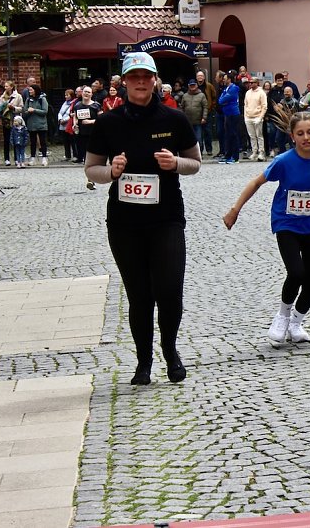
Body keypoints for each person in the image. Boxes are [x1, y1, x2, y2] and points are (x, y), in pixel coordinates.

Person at [84, 51, 202, 385]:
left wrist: (175, 163)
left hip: (166, 218)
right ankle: (143, 363)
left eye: (145, 76)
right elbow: (91, 169)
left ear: (154, 80)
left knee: (169, 290)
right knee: (139, 295)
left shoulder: (173, 119)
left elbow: (195, 162)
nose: (140, 82)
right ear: (123, 83)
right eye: (133, 77)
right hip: (124, 223)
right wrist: (111, 171)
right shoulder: (109, 122)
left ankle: (171, 350)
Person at [223, 111, 310, 346]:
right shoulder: (284, 161)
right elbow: (256, 182)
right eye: (300, 133)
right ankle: (282, 316)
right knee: (296, 273)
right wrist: (235, 209)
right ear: (292, 136)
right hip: (286, 224)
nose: (306, 137)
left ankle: (296, 322)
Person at [218, 71, 243, 164]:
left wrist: (225, 101)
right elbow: (220, 100)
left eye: (224, 78)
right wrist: (224, 100)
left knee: (234, 135)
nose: (223, 80)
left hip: (233, 114)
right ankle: (228, 155)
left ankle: (235, 157)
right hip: (227, 114)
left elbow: (223, 99)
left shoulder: (234, 88)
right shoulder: (226, 88)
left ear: (229, 79)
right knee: (228, 135)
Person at [0, 81, 23, 166]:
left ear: (11, 87)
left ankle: (16, 158)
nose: (5, 88)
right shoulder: (2, 97)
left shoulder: (18, 96)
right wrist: (3, 107)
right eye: (5, 86)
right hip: (6, 120)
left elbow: (21, 108)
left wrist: (13, 108)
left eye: (7, 86)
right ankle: (7, 159)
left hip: (15, 120)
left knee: (16, 140)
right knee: (6, 140)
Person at [72, 86, 100, 164]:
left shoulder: (96, 105)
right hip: (81, 131)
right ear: (82, 93)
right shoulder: (77, 105)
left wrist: (90, 122)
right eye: (85, 91)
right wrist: (75, 124)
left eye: (88, 92)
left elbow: (101, 119)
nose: (86, 93)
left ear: (91, 94)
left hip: (93, 131)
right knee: (81, 146)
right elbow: (75, 116)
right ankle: (84, 159)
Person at [180, 79, 209, 155]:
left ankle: (200, 153)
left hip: (198, 121)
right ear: (188, 86)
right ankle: (190, 154)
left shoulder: (201, 95)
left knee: (199, 138)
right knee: (188, 139)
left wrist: (204, 117)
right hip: (188, 122)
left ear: (196, 85)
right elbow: (181, 108)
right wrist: (182, 119)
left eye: (194, 85)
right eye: (191, 85)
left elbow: (205, 107)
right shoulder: (185, 96)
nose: (192, 86)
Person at [23, 84, 49, 166]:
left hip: (41, 124)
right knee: (33, 142)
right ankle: (32, 158)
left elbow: (45, 111)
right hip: (31, 124)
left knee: (42, 142)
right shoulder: (28, 99)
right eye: (29, 90)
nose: (29, 91)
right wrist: (28, 111)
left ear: (35, 90)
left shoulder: (42, 99)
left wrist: (34, 110)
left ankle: (44, 158)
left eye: (31, 90)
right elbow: (25, 111)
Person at [244, 78, 268, 161]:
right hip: (249, 117)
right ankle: (254, 152)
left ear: (257, 83)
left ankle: (261, 152)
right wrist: (245, 116)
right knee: (252, 136)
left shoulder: (261, 93)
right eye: (250, 82)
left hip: (257, 116)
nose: (250, 84)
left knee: (259, 136)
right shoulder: (248, 93)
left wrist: (260, 117)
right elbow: (245, 105)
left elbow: (264, 106)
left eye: (252, 82)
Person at [57, 89, 76, 162]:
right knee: (65, 141)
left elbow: (72, 114)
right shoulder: (64, 103)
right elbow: (60, 112)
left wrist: (65, 120)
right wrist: (60, 119)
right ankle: (67, 155)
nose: (66, 96)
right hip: (62, 125)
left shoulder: (73, 103)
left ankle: (75, 155)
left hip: (69, 124)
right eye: (65, 95)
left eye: (67, 95)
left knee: (72, 141)